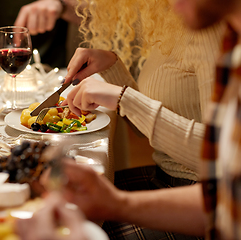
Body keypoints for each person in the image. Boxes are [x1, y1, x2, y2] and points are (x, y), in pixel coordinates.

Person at [17, 0, 241, 239]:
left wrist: (126, 99)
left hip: (191, 189)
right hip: (168, 179)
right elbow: (147, 131)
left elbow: (217, 160)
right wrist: (112, 67)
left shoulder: (214, 33)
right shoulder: (176, 21)